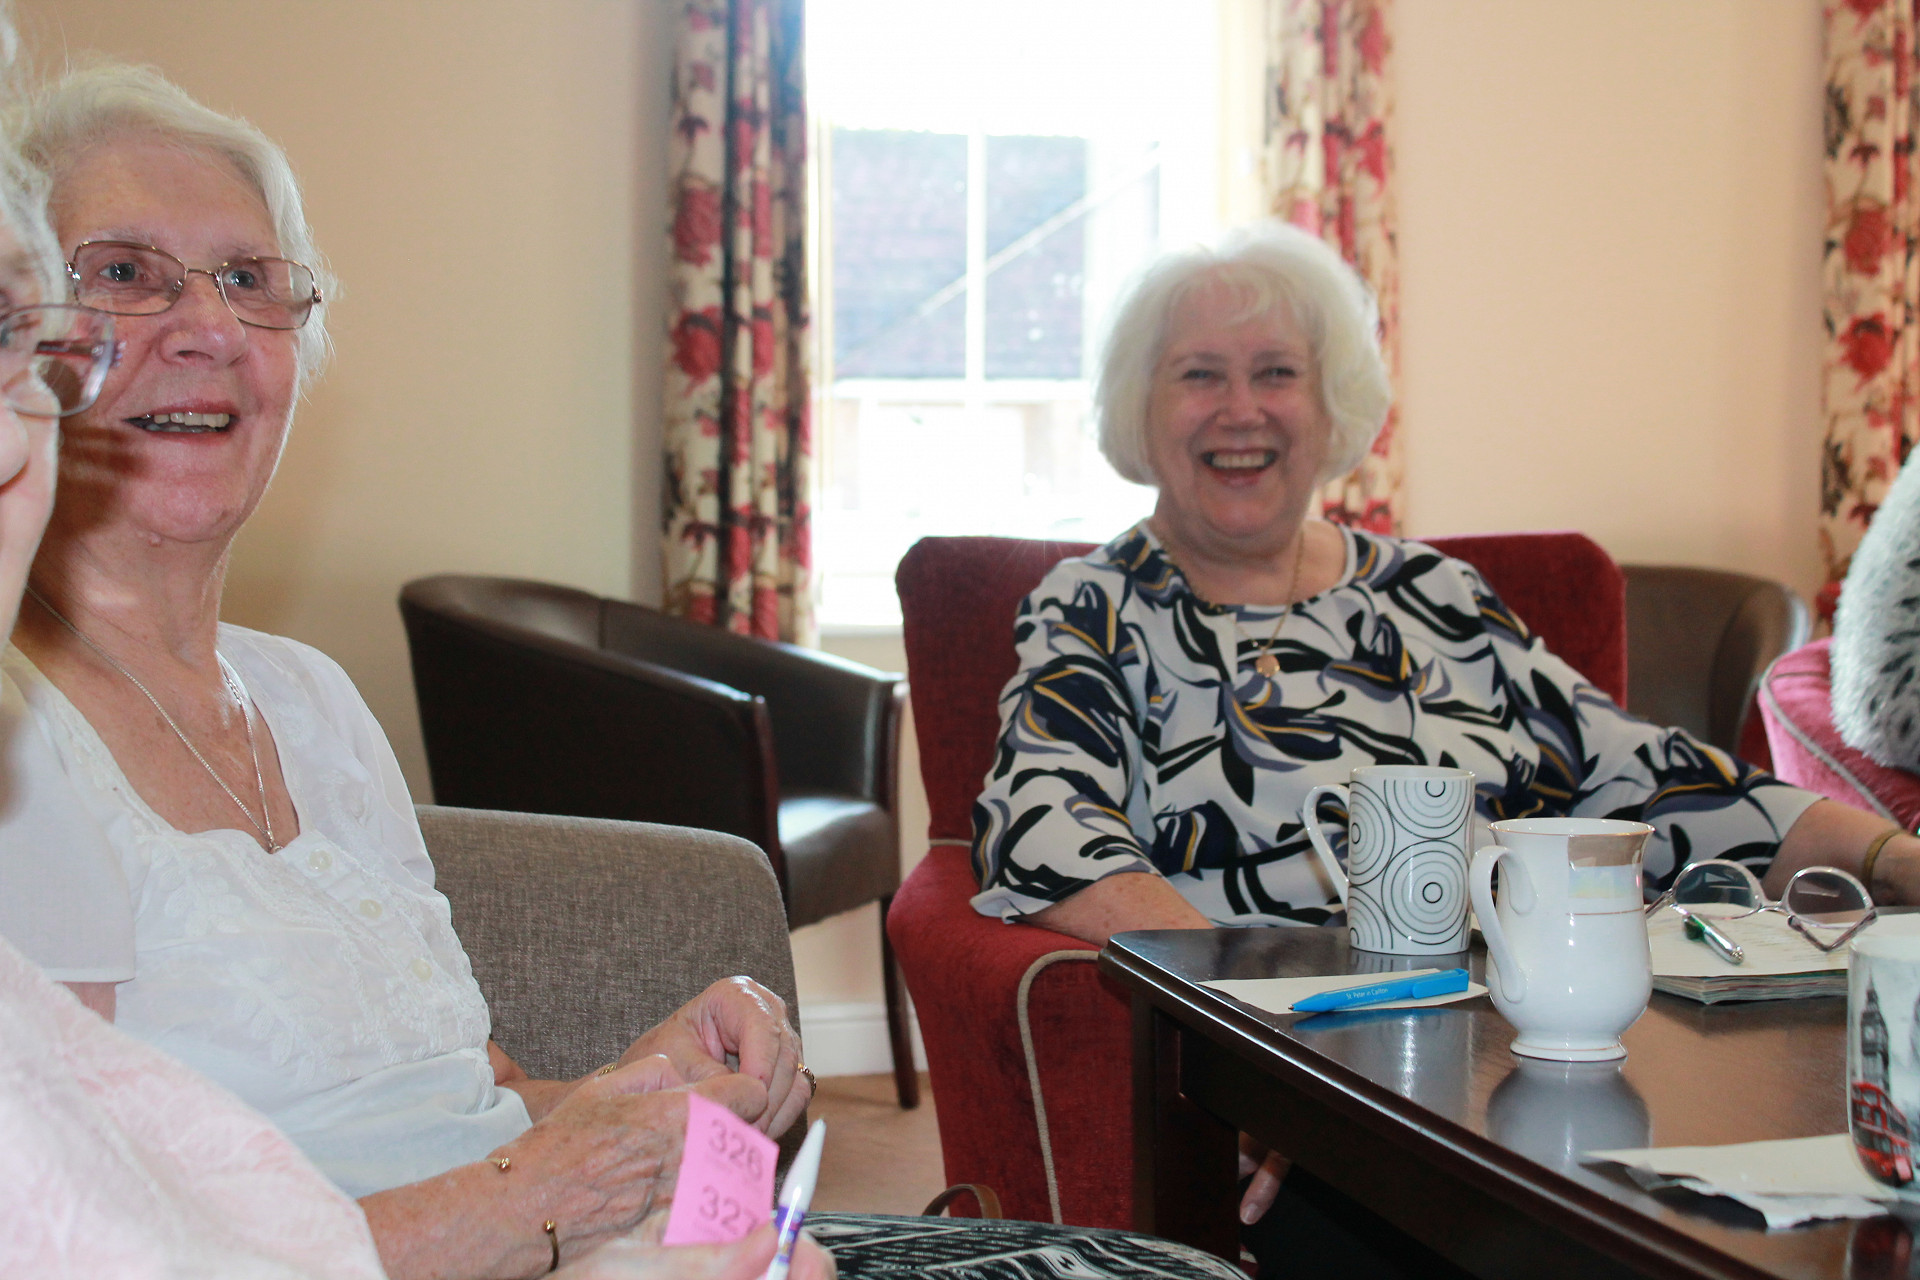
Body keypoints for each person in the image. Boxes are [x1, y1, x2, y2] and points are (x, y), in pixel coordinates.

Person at [1, 60, 1244, 1280]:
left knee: (1161, 1268)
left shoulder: (313, 701)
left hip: (577, 1249)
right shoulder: (19, 744)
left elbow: (475, 1099)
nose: (207, 326)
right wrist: (549, 1193)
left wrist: (638, 1091)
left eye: (249, 280)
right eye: (122, 273)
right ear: (23, 341)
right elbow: (100, 1247)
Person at [970, 220, 1920, 1270]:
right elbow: (1045, 820)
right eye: (1201, 374)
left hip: (1522, 1058)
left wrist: (1893, 858)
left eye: (1277, 372)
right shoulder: (1100, 607)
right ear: (1140, 413)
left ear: (1331, 404)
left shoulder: (1434, 597)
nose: (1242, 409)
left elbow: (1643, 770)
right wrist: (1257, 1045)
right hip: (1311, 1089)